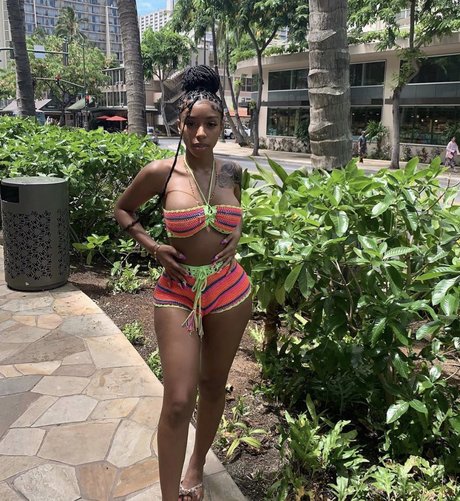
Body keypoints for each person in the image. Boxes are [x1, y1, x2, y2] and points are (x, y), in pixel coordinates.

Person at [114, 65, 252, 501]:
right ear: (180, 124)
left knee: (213, 386)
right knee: (177, 399)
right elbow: (122, 210)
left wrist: (237, 230)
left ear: (222, 126)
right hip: (179, 291)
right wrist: (154, 247)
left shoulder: (232, 172)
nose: (200, 133)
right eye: (192, 124)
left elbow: (234, 212)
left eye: (210, 124)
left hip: (229, 290)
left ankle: (197, 464)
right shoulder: (162, 172)